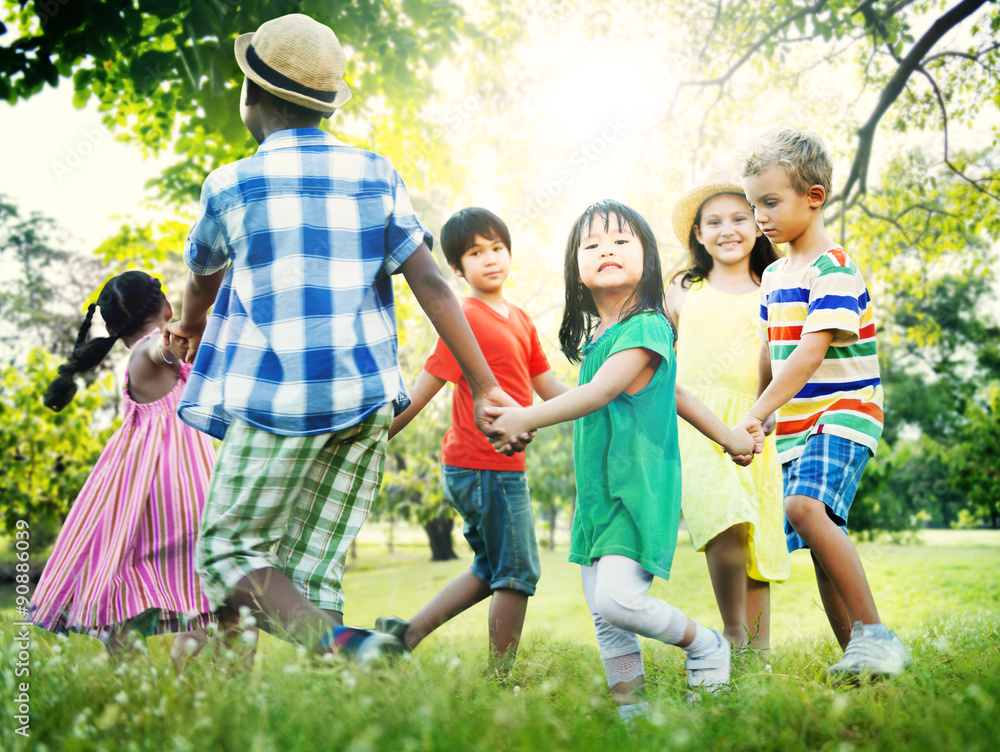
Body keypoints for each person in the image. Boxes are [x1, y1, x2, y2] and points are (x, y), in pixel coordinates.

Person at [164, 14, 524, 664]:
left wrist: (189, 326)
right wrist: (487, 384)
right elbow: (435, 286)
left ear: (250, 98)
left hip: (278, 402)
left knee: (226, 550)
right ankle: (339, 697)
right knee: (312, 565)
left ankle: (349, 650)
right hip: (361, 404)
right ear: (326, 106)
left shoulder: (231, 185)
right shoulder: (375, 174)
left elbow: (202, 274)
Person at [486, 200, 762, 719]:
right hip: (597, 496)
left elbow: (598, 393)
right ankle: (632, 716)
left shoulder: (649, 326)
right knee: (605, 617)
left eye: (620, 241)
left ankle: (706, 645)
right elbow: (668, 394)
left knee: (618, 601)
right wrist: (728, 435)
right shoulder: (602, 338)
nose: (605, 250)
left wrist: (526, 418)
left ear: (648, 259)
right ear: (576, 269)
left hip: (637, 492)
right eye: (591, 245)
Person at [739, 128, 910, 678]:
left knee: (803, 509)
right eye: (752, 204)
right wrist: (757, 414)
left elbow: (810, 354)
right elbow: (774, 350)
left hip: (844, 410)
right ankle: (860, 657)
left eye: (770, 202)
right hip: (793, 424)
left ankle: (877, 636)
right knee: (817, 534)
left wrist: (757, 412)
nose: (758, 217)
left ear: (813, 197)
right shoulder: (771, 275)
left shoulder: (832, 270)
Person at [375, 207, 568, 671]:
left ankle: (404, 636)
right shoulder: (463, 319)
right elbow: (420, 393)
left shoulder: (520, 319)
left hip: (500, 468)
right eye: (476, 253)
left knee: (490, 570)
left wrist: (608, 397)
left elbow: (551, 391)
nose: (491, 259)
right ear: (457, 269)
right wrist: (372, 443)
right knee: (517, 574)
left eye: (497, 248)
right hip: (481, 466)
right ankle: (502, 680)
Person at [31, 271, 250, 670]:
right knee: (206, 593)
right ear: (167, 310)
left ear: (113, 327)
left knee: (135, 592)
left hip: (148, 492)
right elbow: (159, 349)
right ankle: (175, 683)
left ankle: (148, 685)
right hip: (183, 486)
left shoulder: (157, 353)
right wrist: (176, 338)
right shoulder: (151, 351)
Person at [666, 172, 790, 657]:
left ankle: (754, 653)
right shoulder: (683, 288)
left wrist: (770, 410)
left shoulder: (775, 286)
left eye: (740, 218)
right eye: (713, 221)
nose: (727, 229)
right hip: (697, 423)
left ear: (759, 225)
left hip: (760, 421)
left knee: (754, 535)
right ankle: (732, 632)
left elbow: (783, 356)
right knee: (726, 517)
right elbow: (661, 356)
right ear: (698, 234)